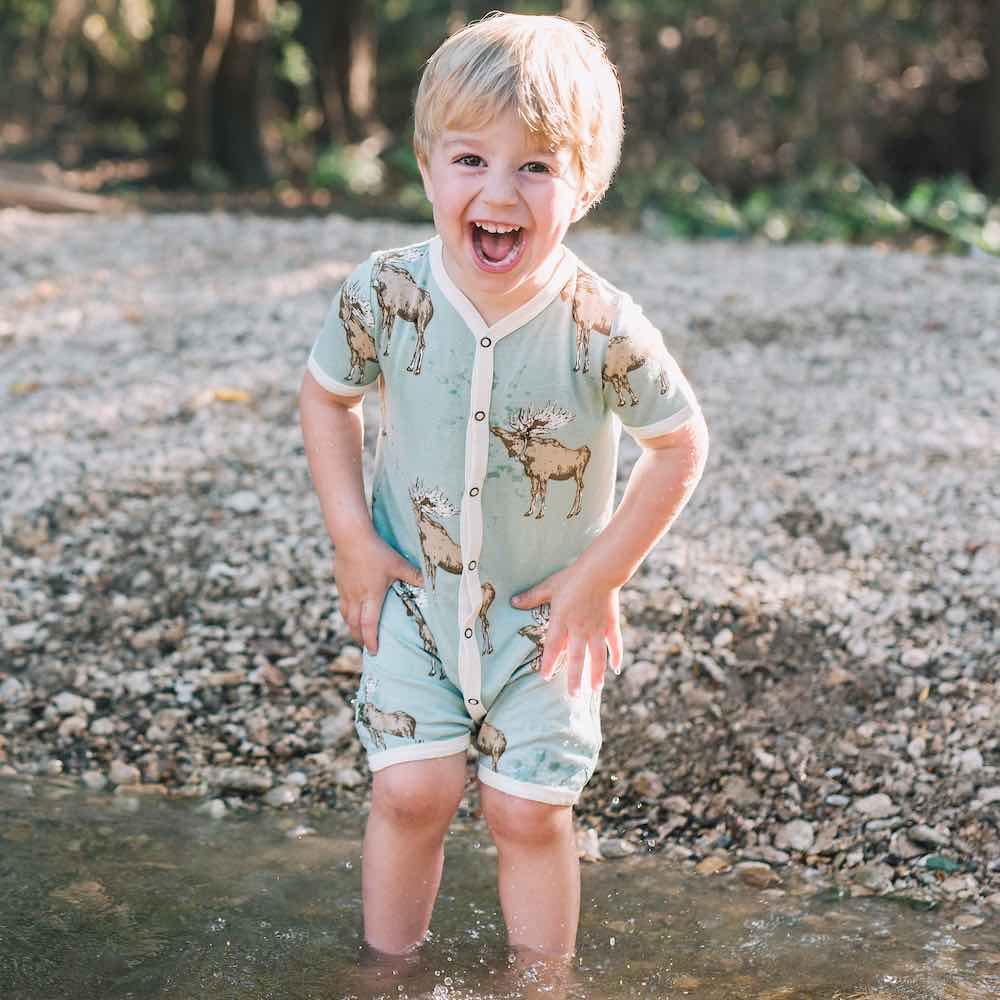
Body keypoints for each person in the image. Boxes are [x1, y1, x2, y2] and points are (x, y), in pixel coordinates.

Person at [299, 12, 709, 962]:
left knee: (527, 812)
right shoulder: (382, 293)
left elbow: (680, 445)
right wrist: (352, 540)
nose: (499, 190)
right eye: (471, 159)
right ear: (426, 166)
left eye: (536, 167)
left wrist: (601, 576)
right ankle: (384, 974)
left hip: (548, 620)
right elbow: (326, 400)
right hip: (416, 597)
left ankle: (543, 985)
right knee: (413, 791)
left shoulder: (601, 324)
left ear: (586, 183)